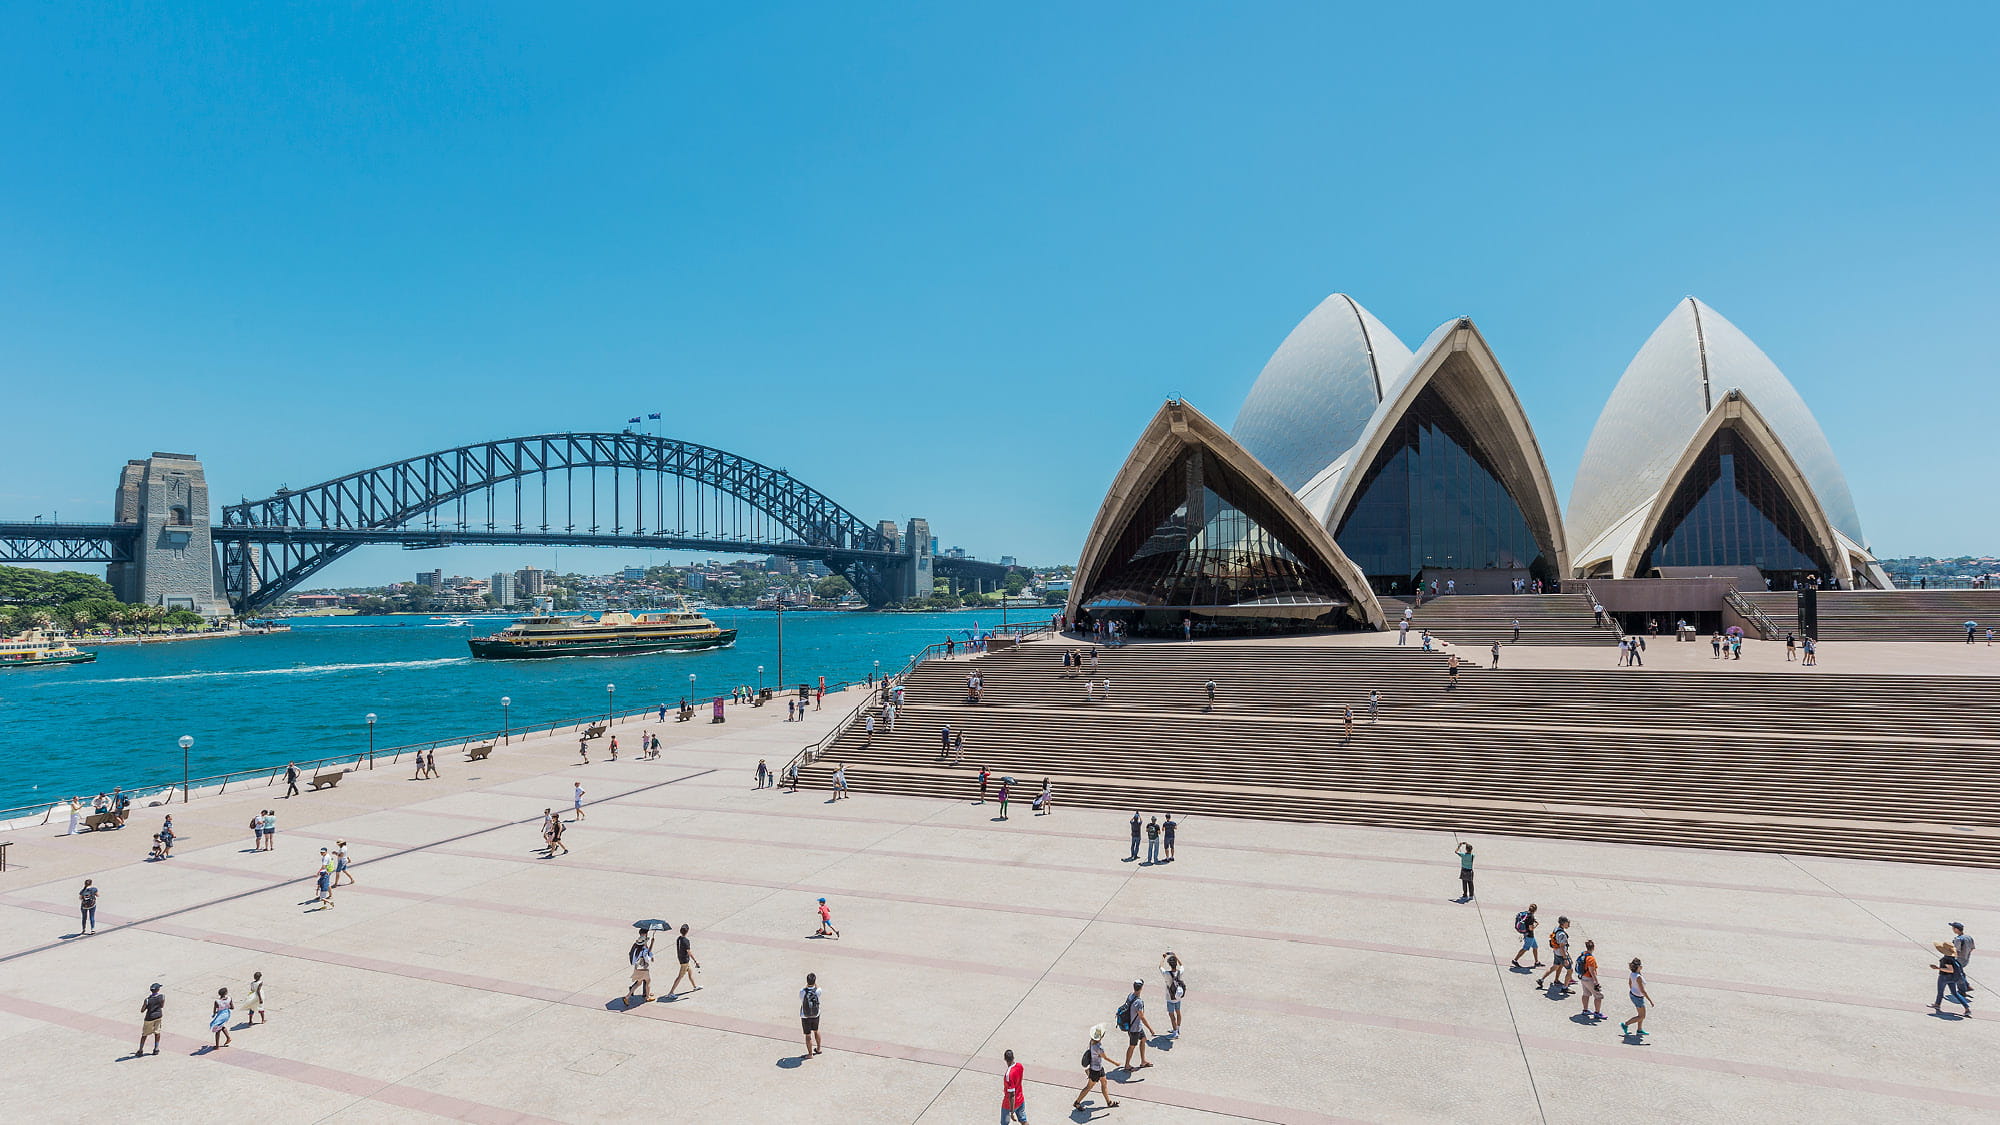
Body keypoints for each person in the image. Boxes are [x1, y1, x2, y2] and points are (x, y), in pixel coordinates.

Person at [1073, 1025, 1119, 1110]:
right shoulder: (1099, 1048)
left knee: (1104, 1083)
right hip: (1095, 1070)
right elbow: (1105, 1057)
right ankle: (1077, 1102)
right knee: (1089, 1087)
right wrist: (1116, 1063)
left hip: (1098, 1068)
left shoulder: (1091, 1042)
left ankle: (1109, 1102)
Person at [1119, 979, 1156, 1070]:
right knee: (1132, 1046)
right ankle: (1127, 1065)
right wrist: (1151, 1029)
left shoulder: (1130, 995)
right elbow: (1142, 1017)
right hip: (1134, 1028)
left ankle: (1143, 1061)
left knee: (1143, 1039)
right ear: (1141, 988)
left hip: (1136, 1026)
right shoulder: (1138, 1002)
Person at [1931, 943, 1973, 1014]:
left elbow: (1950, 970)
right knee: (1954, 993)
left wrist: (1937, 968)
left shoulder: (1945, 959)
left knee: (1940, 992)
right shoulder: (1953, 958)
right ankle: (1966, 1007)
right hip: (1953, 978)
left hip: (1944, 977)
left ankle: (1937, 1004)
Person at [1539, 917, 1573, 994]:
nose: (1569, 925)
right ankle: (1565, 987)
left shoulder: (1556, 929)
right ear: (1563, 923)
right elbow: (1562, 947)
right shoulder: (1562, 934)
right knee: (1570, 970)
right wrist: (1565, 958)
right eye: (1568, 923)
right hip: (1561, 954)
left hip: (1556, 952)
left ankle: (1541, 979)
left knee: (1555, 966)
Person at [1622, 958, 1654, 1036]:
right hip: (1638, 998)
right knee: (1642, 1016)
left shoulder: (1632, 974)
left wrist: (1633, 990)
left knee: (1640, 1014)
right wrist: (1650, 1000)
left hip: (1633, 995)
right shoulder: (1638, 977)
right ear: (1638, 967)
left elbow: (1629, 983)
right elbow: (1642, 990)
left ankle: (1639, 1029)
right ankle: (1625, 1024)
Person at [668, 923, 701, 998]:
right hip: (684, 961)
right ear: (687, 931)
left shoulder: (679, 938)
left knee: (690, 973)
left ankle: (695, 986)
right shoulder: (686, 941)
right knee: (680, 977)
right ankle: (671, 992)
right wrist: (695, 961)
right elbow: (689, 952)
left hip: (681, 958)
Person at [1160, 952, 1187, 1038]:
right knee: (1178, 1012)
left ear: (1169, 965)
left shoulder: (1167, 974)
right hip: (1178, 996)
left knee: (1172, 1015)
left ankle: (1175, 1032)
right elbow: (1182, 965)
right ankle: (1177, 1028)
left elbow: (1160, 967)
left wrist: (1163, 958)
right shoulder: (1180, 972)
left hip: (1170, 997)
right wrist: (1175, 956)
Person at [1575, 940, 1604, 1020]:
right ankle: (1597, 1013)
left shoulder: (1583, 954)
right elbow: (1592, 971)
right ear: (1593, 947)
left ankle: (1585, 1010)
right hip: (1589, 978)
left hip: (1583, 977)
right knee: (1598, 996)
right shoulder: (1591, 958)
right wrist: (1596, 982)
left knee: (1586, 994)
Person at [626, 932, 655, 1008]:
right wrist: (652, 944)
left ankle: (627, 997)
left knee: (638, 983)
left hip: (637, 968)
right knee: (648, 981)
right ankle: (647, 997)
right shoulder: (644, 950)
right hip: (643, 970)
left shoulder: (636, 949)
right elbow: (647, 959)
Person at [137, 983, 165, 1056]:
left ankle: (140, 1050)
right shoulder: (162, 997)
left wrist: (147, 1006)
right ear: (158, 990)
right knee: (157, 1032)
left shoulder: (147, 1000)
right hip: (158, 1016)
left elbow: (142, 1010)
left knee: (144, 1034)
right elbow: (162, 1006)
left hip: (149, 1018)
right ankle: (156, 1049)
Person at [1000, 1048, 1027, 1123]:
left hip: (1008, 1106)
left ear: (1005, 1059)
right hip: (1021, 1101)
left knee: (1005, 1123)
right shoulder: (1020, 1066)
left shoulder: (1008, 1075)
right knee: (1023, 1120)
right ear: (1013, 1057)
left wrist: (1011, 1112)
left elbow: (1012, 1095)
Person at [799, 972, 823, 1057]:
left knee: (808, 1035)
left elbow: (801, 998)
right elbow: (818, 987)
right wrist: (814, 984)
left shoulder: (802, 992)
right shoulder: (818, 991)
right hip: (816, 1014)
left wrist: (806, 986)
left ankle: (810, 1054)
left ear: (807, 981)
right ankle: (819, 1049)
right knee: (816, 1031)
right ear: (815, 981)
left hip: (805, 1016)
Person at [1510, 903, 1540, 968]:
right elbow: (1531, 928)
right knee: (1525, 949)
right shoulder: (1531, 917)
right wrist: (1536, 925)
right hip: (1529, 935)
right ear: (1535, 910)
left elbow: (1526, 921)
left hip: (1527, 934)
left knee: (1535, 947)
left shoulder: (1526, 913)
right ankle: (1515, 960)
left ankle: (1537, 962)